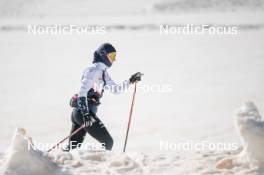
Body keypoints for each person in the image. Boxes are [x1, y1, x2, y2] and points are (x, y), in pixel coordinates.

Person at [64, 43, 142, 151]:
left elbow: (116, 90)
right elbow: (82, 92)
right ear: (103, 55)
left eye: (115, 56)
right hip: (83, 113)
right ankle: (99, 165)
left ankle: (59, 164)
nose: (114, 60)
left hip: (81, 114)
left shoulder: (103, 72)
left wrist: (130, 81)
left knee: (72, 149)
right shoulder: (93, 70)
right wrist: (86, 114)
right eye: (112, 56)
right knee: (108, 142)